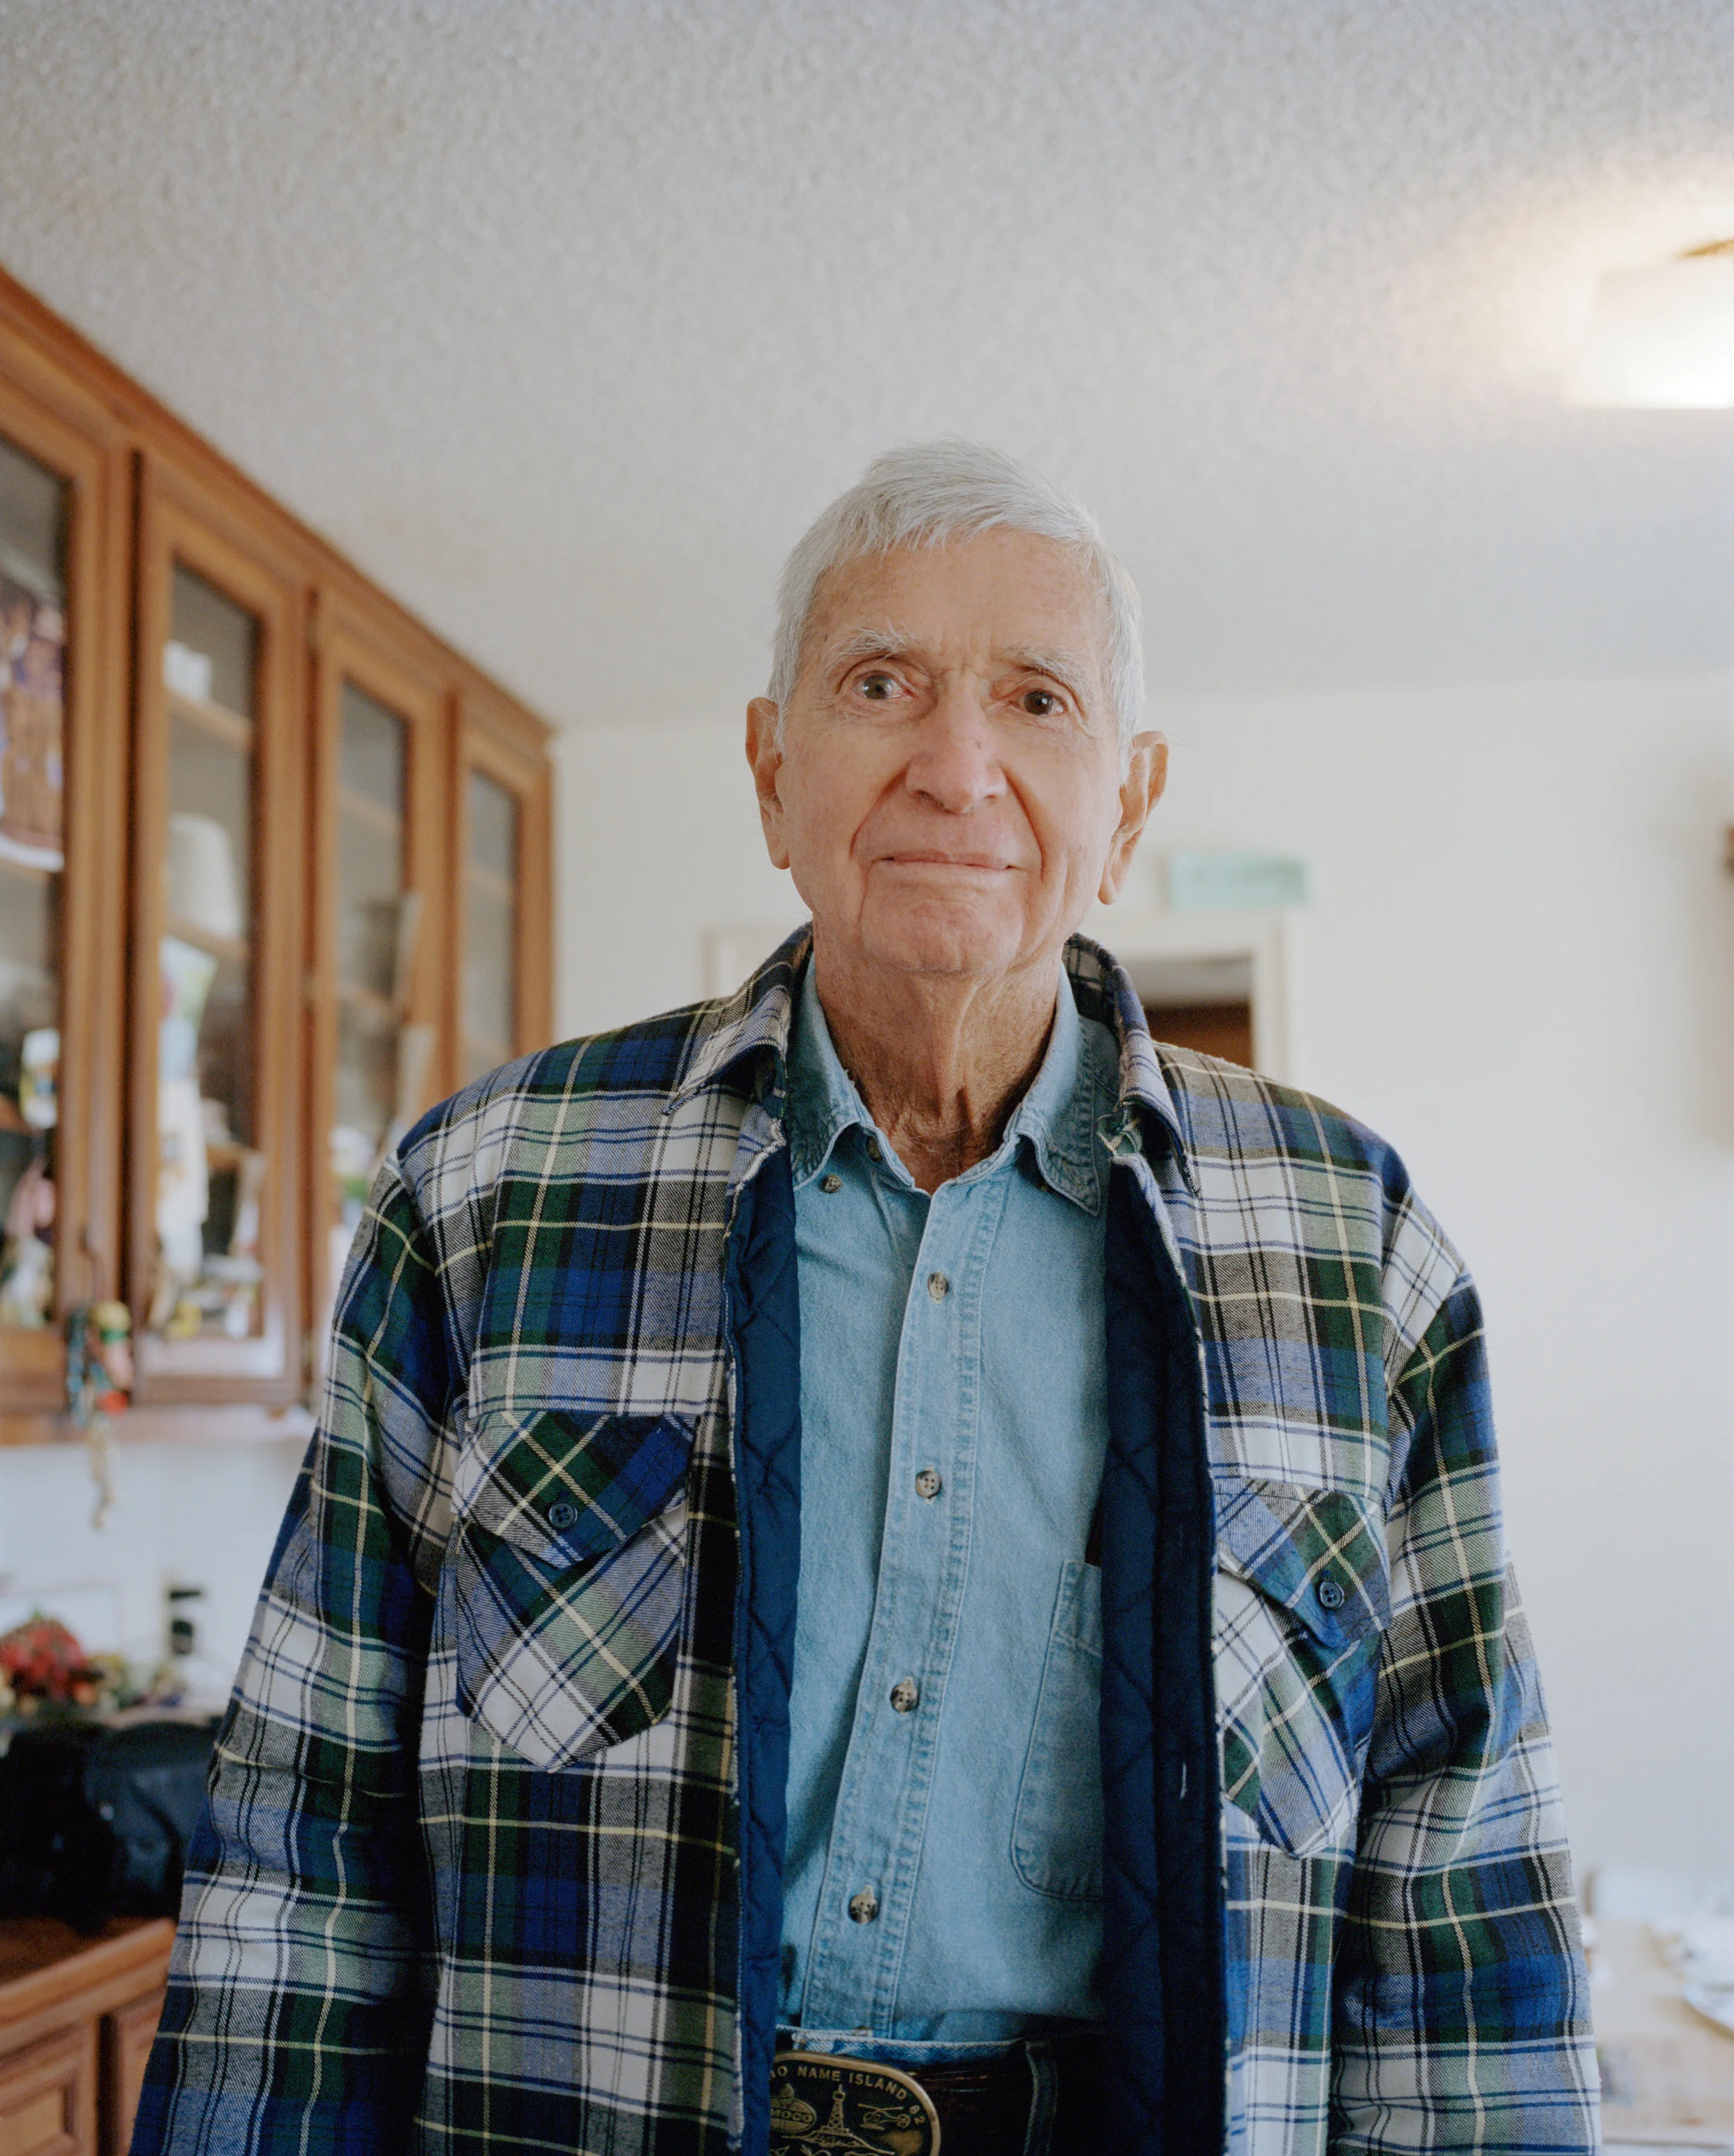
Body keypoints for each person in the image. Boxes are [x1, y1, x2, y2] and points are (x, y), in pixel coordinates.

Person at [134, 441, 1597, 2156]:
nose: (954, 766)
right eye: (879, 682)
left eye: (1034, 700)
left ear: (1126, 801)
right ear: (771, 770)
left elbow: (1460, 1901)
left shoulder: (1356, 1247)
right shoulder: (483, 1196)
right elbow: (297, 1860)